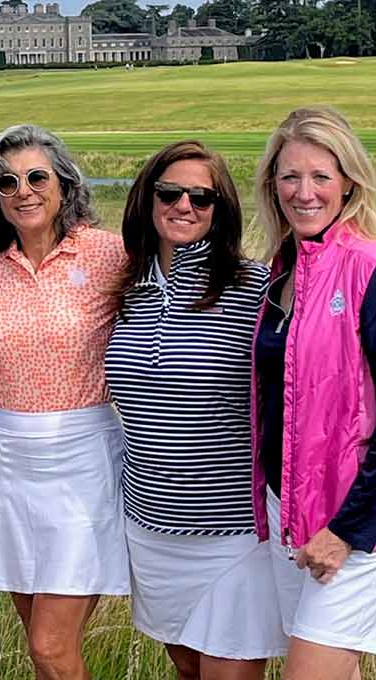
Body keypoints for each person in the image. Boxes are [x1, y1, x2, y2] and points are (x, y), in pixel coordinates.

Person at [252, 107, 376, 680]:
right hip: (290, 514)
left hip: (360, 525)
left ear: (349, 183)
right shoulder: (280, 272)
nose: (303, 192)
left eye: (320, 177)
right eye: (289, 177)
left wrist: (346, 532)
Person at [104, 141, 287, 680]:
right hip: (150, 527)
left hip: (232, 531)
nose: (184, 205)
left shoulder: (254, 287)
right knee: (186, 666)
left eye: (201, 197)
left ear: (220, 209)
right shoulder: (126, 288)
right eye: (171, 192)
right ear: (148, 197)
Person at [0, 124, 128, 680]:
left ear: (63, 184)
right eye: (7, 183)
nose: (24, 191)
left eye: (37, 177)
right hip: (9, 458)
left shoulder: (110, 254)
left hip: (82, 460)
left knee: (51, 648)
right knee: (40, 648)